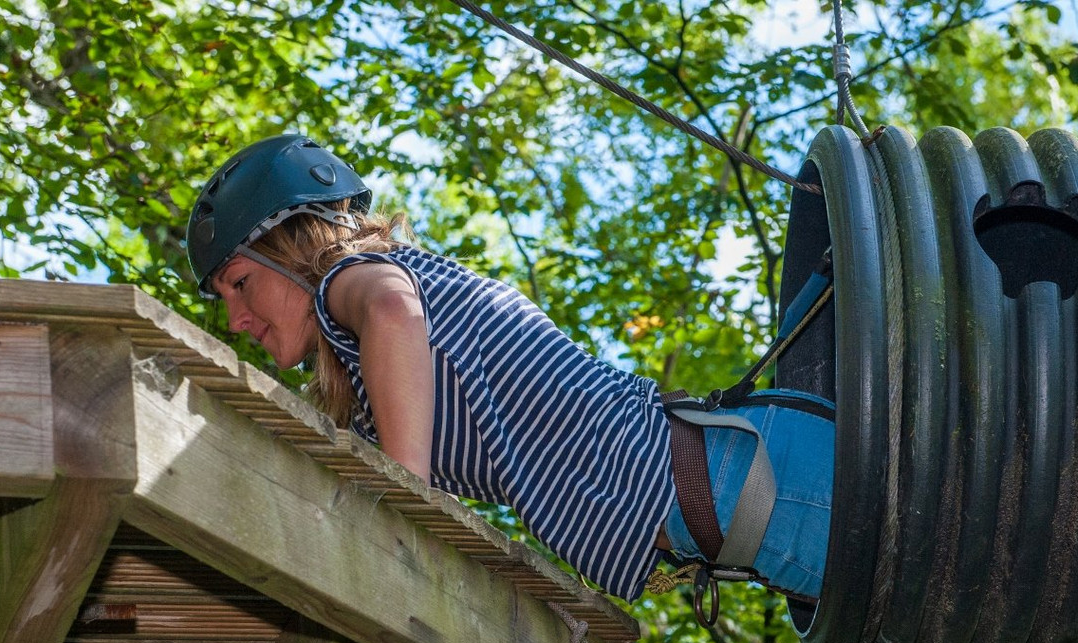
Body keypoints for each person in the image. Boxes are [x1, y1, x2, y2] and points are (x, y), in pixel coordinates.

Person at [185, 133, 830, 605]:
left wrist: (401, 509)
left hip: (738, 483)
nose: (236, 319)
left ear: (294, 239)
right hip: (730, 499)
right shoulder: (374, 378)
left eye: (240, 283)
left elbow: (392, 313)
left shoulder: (348, 282)